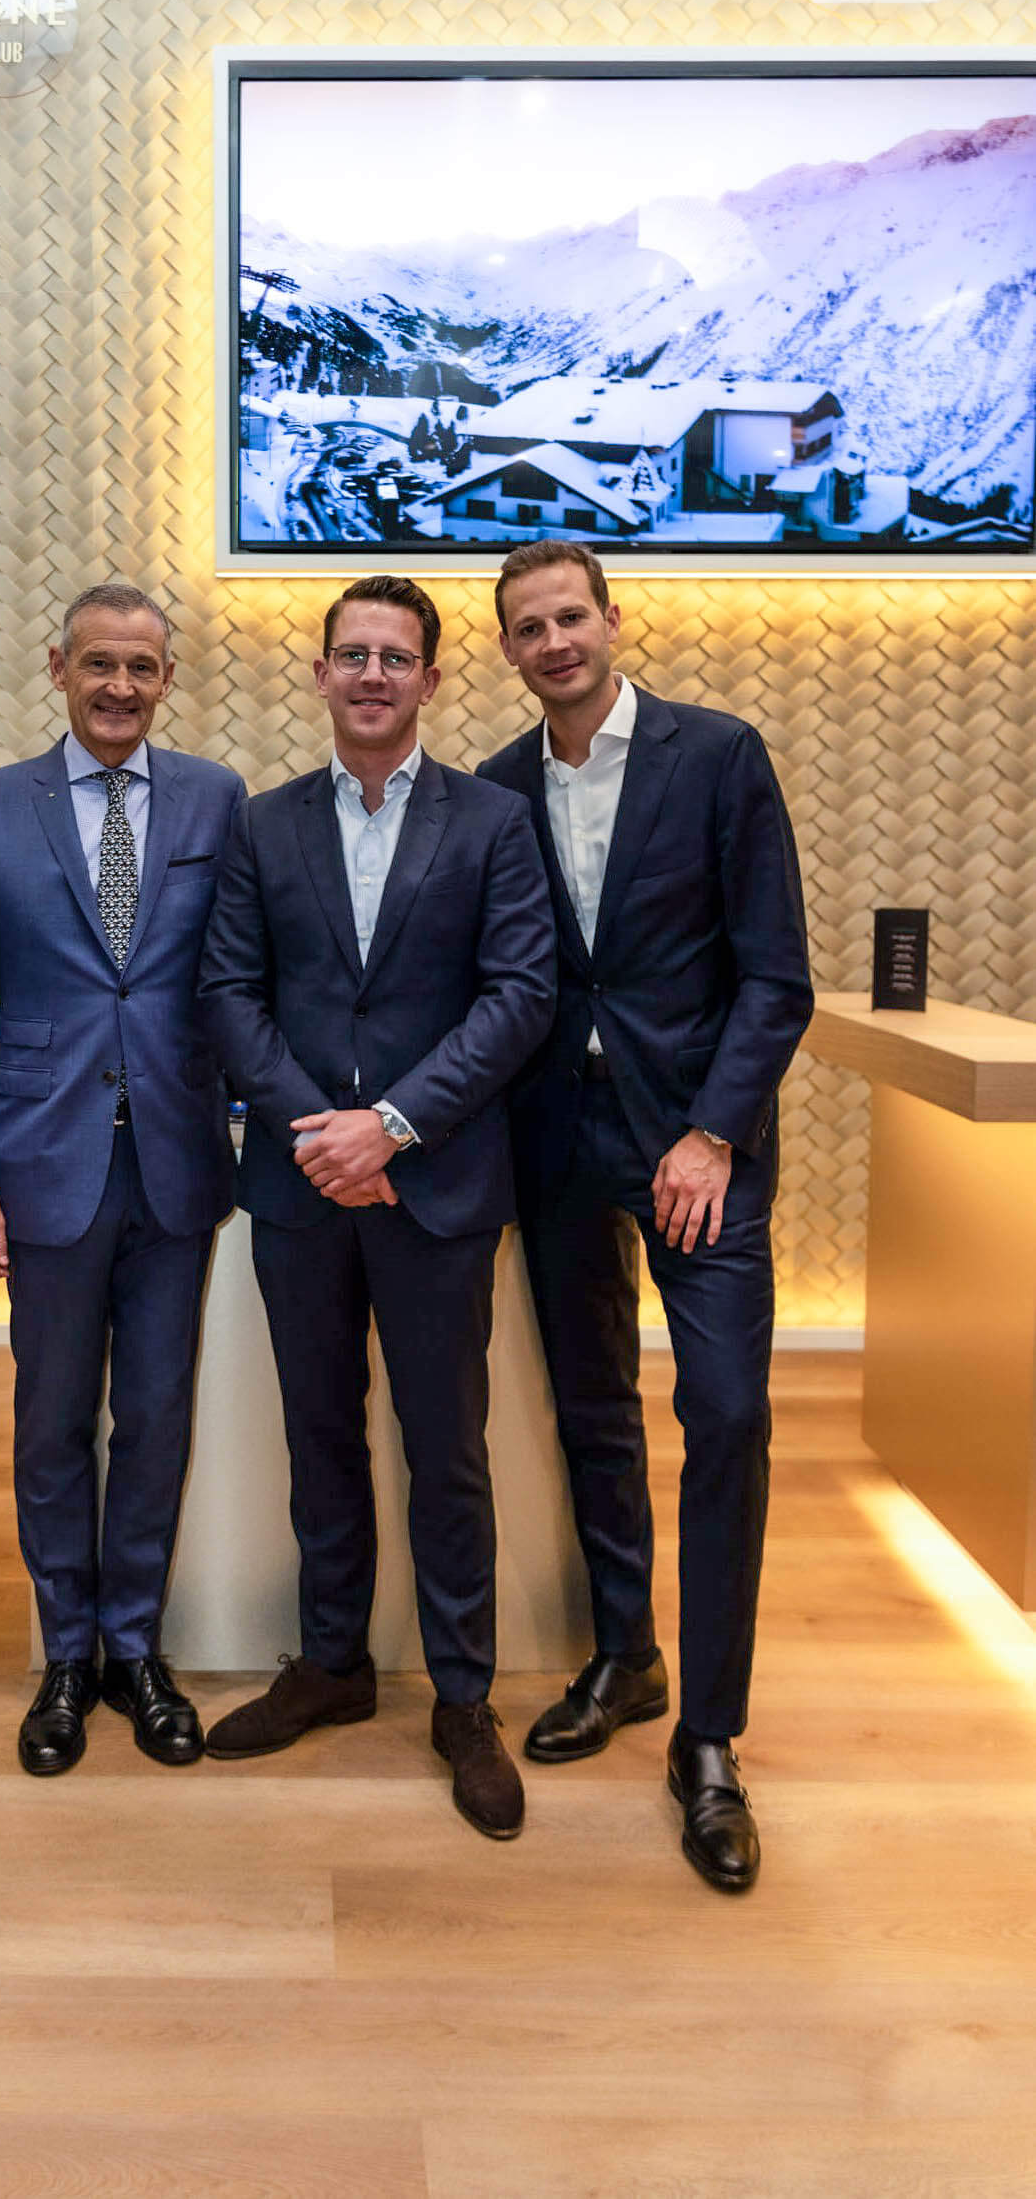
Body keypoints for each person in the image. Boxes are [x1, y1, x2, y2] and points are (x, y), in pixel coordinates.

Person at [198, 574, 555, 1839]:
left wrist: (392, 1125)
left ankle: (464, 1695)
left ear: (430, 681)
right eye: (350, 653)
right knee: (320, 1432)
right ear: (321, 674)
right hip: (304, 1186)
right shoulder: (261, 822)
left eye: (395, 657)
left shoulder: (495, 820)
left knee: (447, 1445)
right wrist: (322, 1133)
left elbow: (519, 995)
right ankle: (332, 1661)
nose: (370, 674)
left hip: (437, 1181)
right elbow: (230, 990)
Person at [479, 540, 812, 1892]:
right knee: (591, 1408)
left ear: (611, 623)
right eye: (526, 627)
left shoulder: (715, 756)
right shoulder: (497, 790)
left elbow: (773, 978)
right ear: (504, 652)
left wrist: (708, 1132)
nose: (552, 641)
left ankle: (712, 1742)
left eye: (569, 616)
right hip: (555, 1144)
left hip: (700, 1153)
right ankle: (626, 1653)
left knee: (725, 1414)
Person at [0, 584, 244, 1776]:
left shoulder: (216, 798)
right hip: (38, 1159)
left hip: (177, 1159)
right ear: (57, 666)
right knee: (53, 1419)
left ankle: (133, 1648)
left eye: (143, 669)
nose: (120, 687)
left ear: (168, 680)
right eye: (99, 665)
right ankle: (64, 1653)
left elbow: (238, 978)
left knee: (158, 1417)